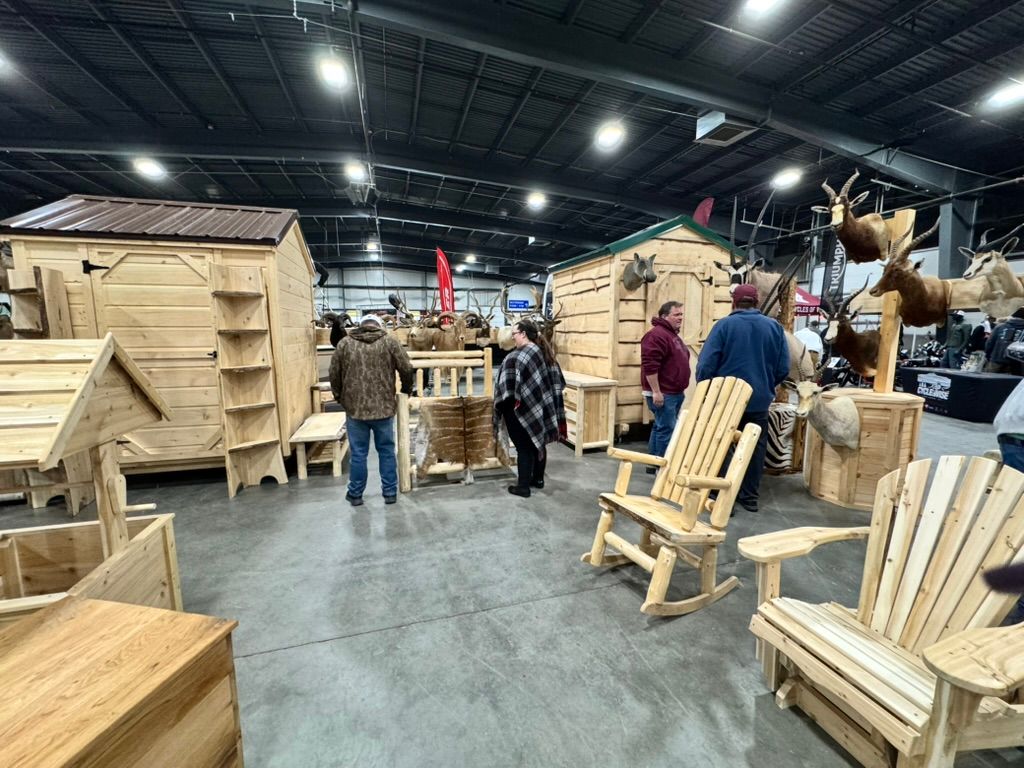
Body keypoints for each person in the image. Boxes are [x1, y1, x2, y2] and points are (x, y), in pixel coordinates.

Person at [696, 284, 789, 513]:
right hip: (759, 400)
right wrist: (766, 384)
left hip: (725, 399)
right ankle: (749, 497)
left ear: (734, 303)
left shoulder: (724, 326)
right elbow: (784, 367)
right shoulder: (774, 328)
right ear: (756, 302)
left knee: (720, 443)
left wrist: (707, 388)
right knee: (755, 447)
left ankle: (719, 494)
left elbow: (706, 365)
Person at [329, 314, 414, 506]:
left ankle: (356, 494)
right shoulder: (390, 342)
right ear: (378, 325)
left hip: (355, 409)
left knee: (358, 453)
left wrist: (340, 397)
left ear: (361, 325)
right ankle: (390, 493)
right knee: (386, 451)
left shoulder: (344, 344)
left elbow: (334, 373)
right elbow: (407, 368)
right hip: (384, 409)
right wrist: (406, 390)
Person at [494, 319, 566, 498]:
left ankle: (523, 487)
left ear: (523, 334)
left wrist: (500, 408)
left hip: (518, 410)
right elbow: (558, 383)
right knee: (537, 441)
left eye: (514, 334)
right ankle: (538, 479)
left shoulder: (517, 357)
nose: (513, 338)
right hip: (540, 409)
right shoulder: (546, 354)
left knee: (523, 447)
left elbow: (505, 388)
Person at [640, 301, 691, 473]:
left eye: (681, 314)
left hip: (673, 392)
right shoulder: (656, 335)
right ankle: (662, 470)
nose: (680, 318)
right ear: (664, 316)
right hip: (664, 393)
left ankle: (653, 464)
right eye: (676, 315)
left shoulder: (670, 335)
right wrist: (656, 391)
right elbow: (650, 365)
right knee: (666, 430)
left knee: (659, 427)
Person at [986, 308, 1024, 374]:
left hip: (996, 360)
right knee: (1012, 383)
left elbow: (989, 343)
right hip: (1016, 364)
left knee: (989, 382)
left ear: (1013, 316)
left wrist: (989, 356)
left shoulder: (1000, 327)